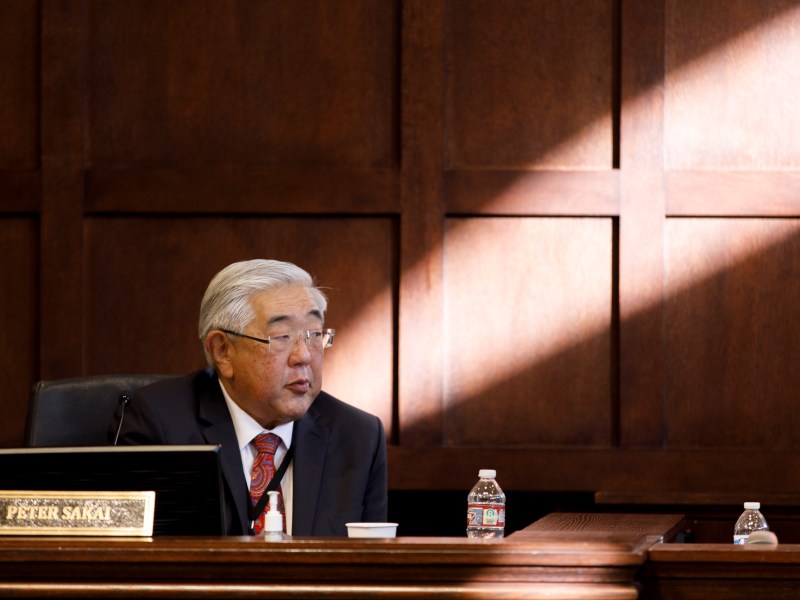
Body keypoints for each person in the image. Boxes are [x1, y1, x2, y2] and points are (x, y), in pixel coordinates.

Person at [109, 259, 388, 536]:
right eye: (281, 336)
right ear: (223, 352)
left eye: (314, 334)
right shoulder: (160, 425)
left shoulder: (358, 436)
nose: (303, 355)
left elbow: (369, 567)